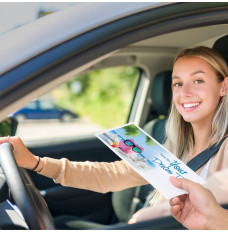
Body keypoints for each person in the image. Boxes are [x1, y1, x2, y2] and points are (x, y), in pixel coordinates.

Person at [1, 46, 228, 224]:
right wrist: (37, 163)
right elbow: (111, 174)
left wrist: (148, 219)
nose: (185, 93)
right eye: (177, 84)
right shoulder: (172, 147)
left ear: (223, 87)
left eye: (198, 81)